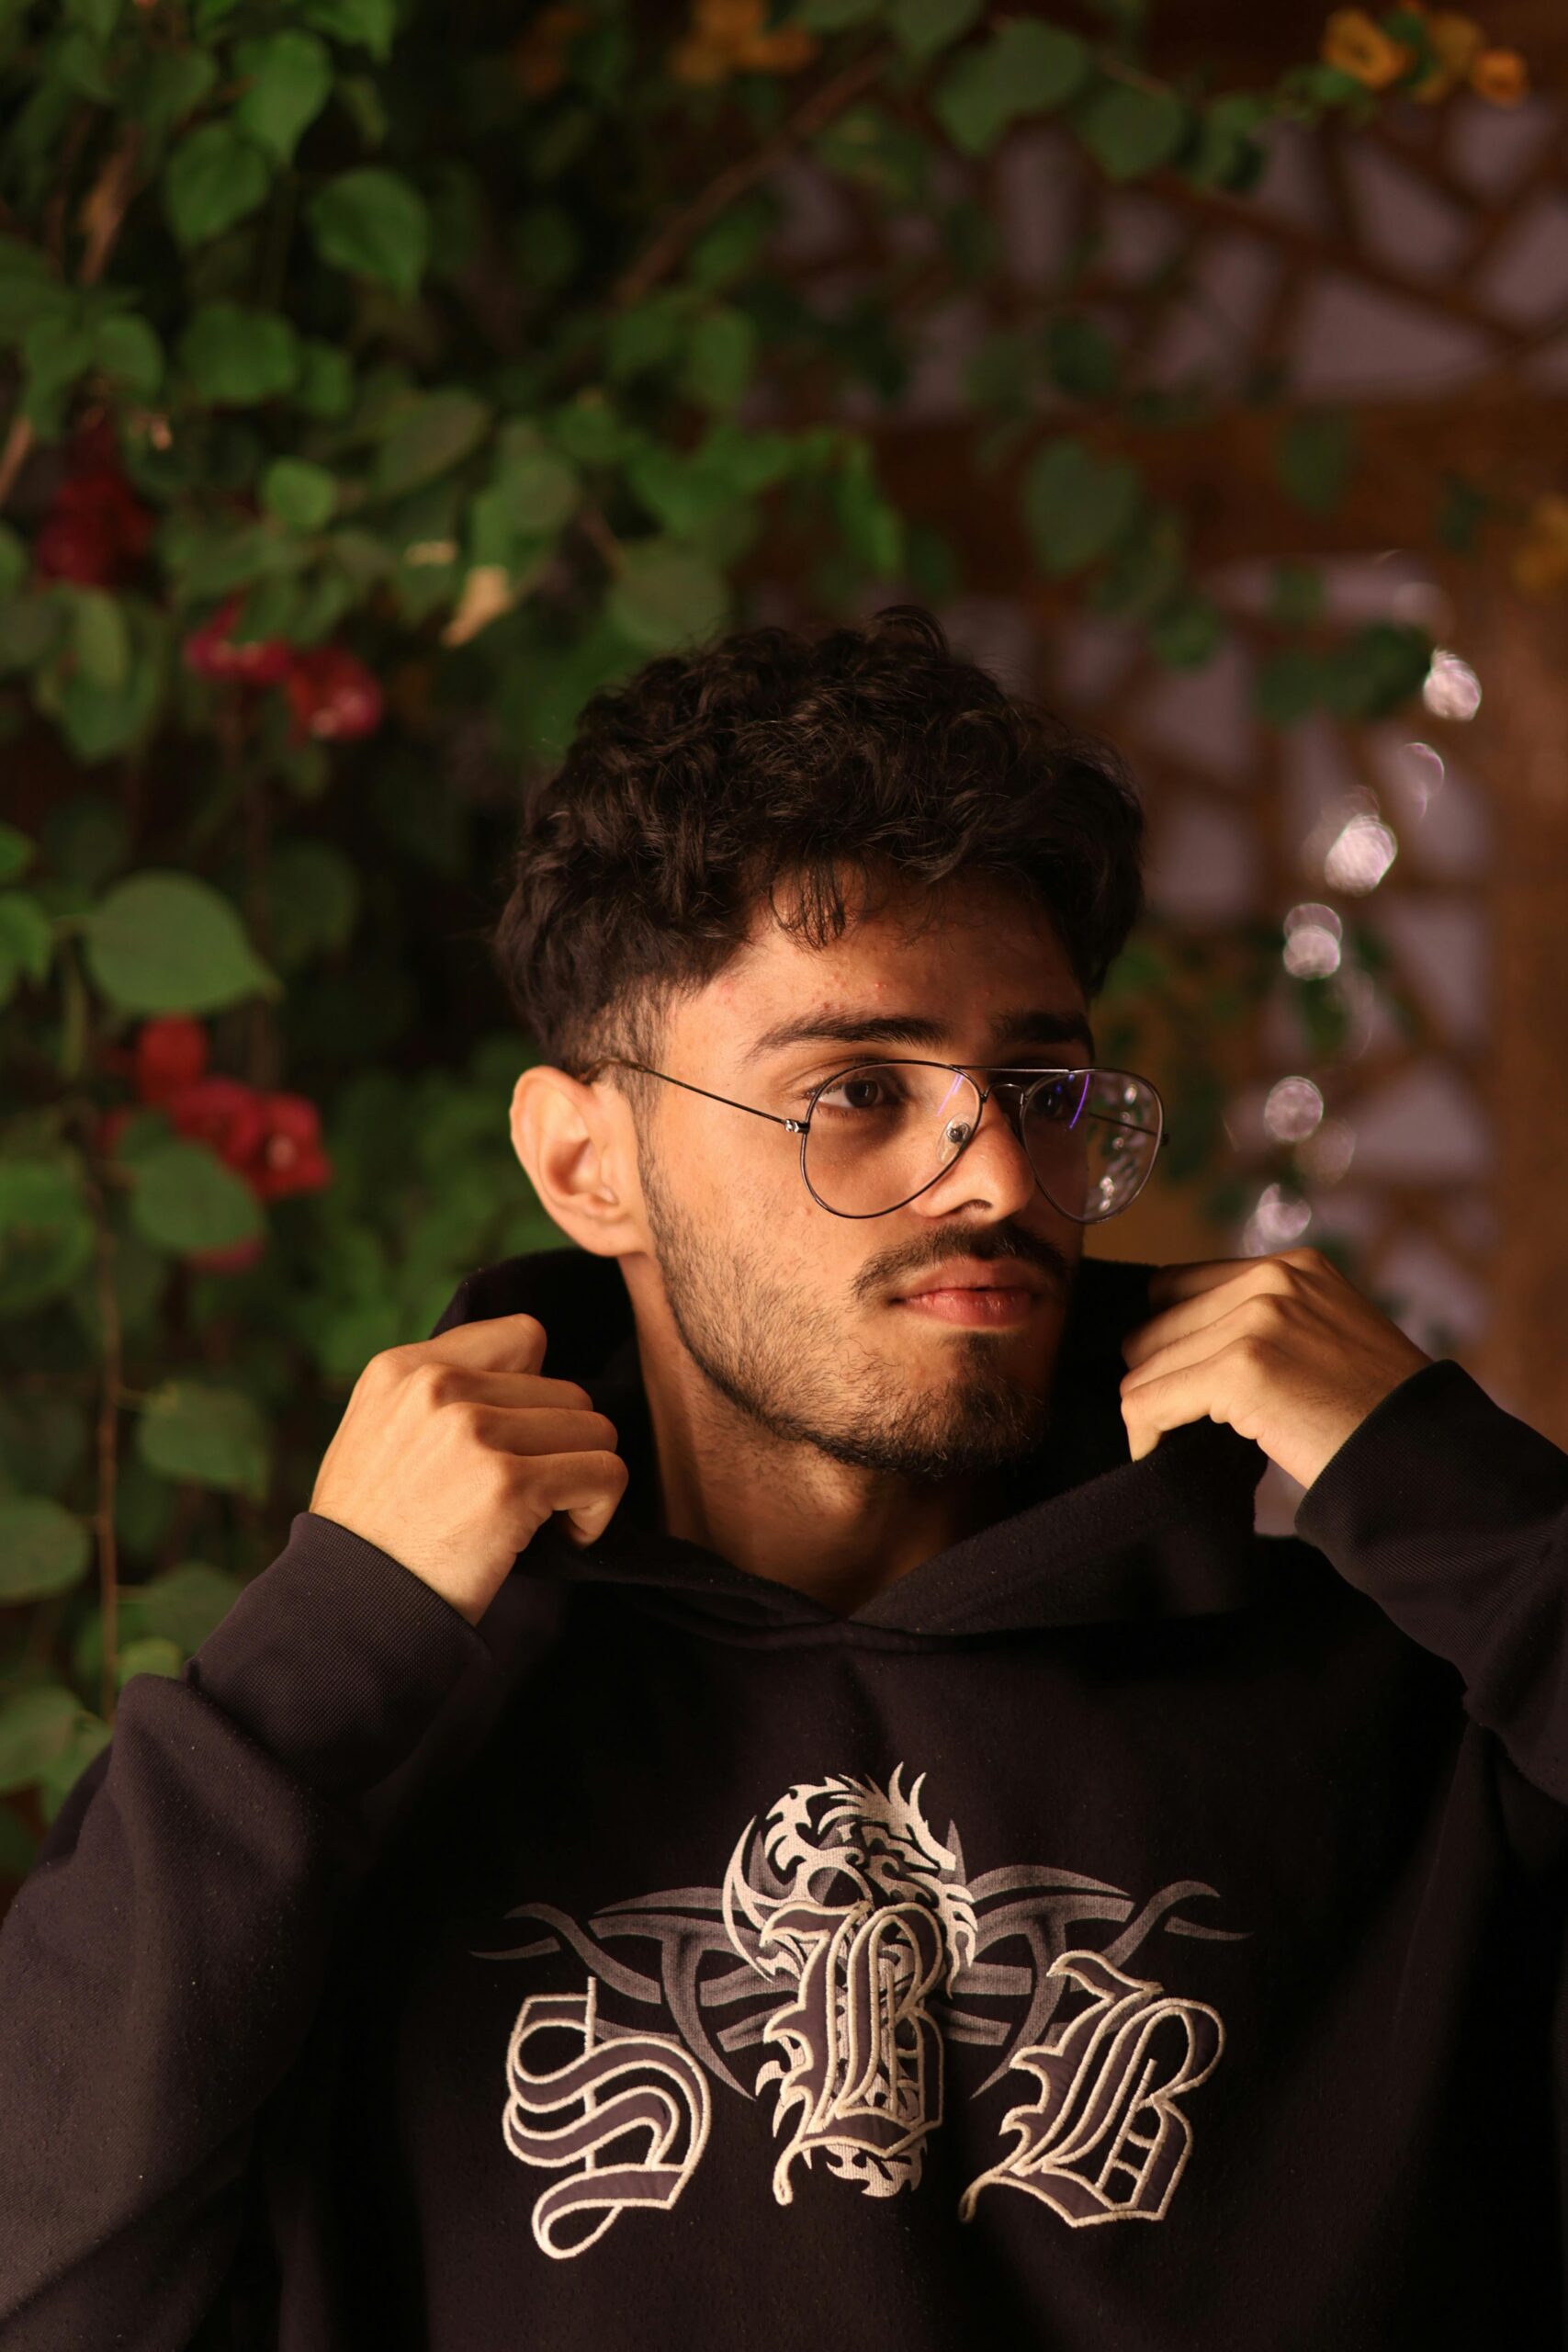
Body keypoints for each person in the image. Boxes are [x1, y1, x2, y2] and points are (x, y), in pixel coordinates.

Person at [3, 604, 1565, 2350]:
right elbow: (54, 2291)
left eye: (1037, 1085)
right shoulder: (374, 1756)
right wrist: (315, 1658)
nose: (991, 1179)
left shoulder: (1387, 1704)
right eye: (859, 1088)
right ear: (589, 1163)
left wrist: (1456, 1496)